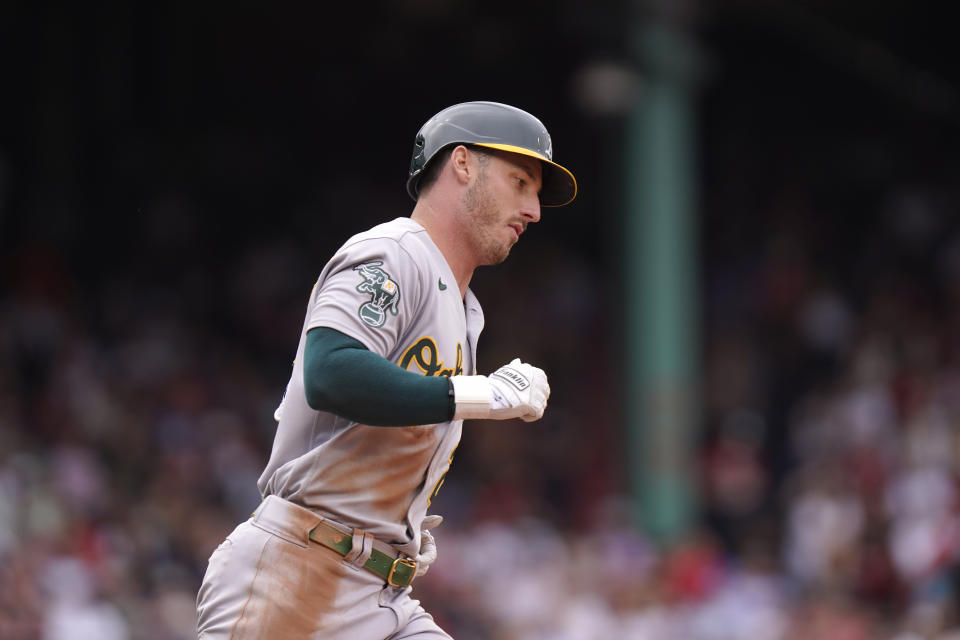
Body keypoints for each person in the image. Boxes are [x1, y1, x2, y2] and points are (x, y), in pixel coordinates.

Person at [195, 100, 578, 639]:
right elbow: (331, 372)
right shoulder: (395, 253)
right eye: (520, 182)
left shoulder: (465, 310)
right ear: (462, 164)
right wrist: (477, 393)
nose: (535, 209)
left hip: (379, 591)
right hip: (297, 576)